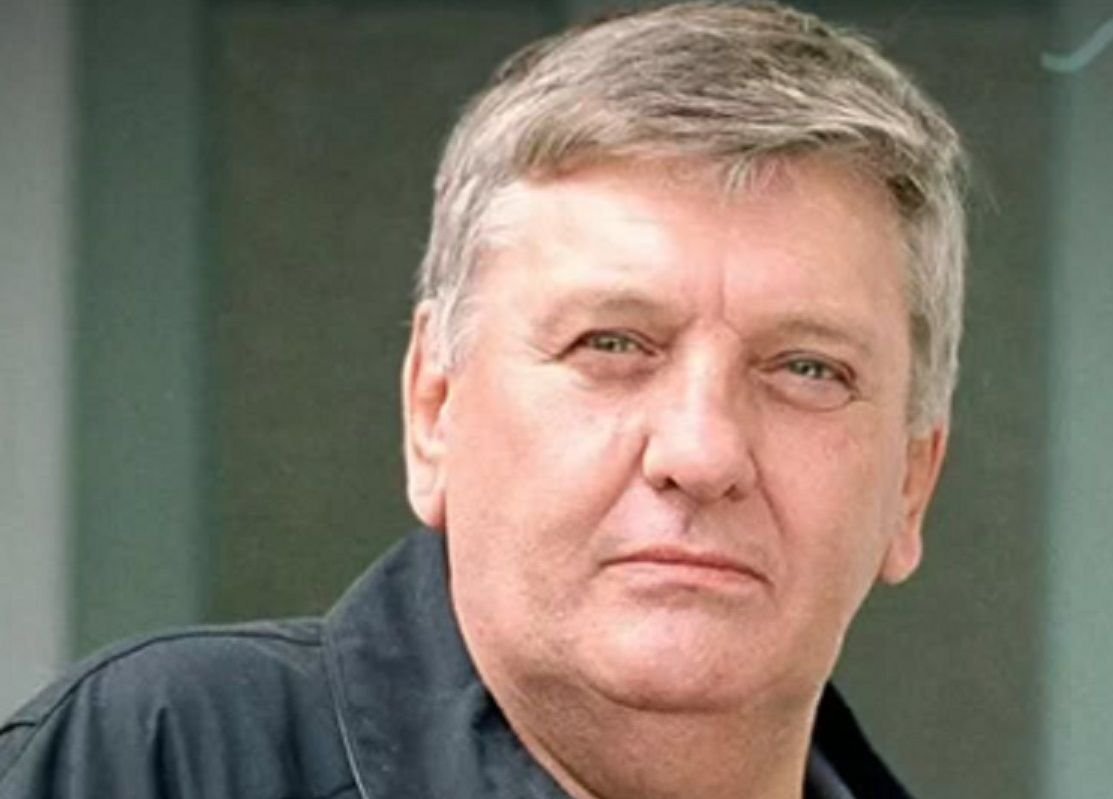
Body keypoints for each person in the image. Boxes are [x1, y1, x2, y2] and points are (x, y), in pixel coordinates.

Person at [0, 2, 966, 797]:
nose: (701, 450)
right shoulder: (159, 762)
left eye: (807, 369)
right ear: (435, 408)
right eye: (612, 344)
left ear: (911, 488)